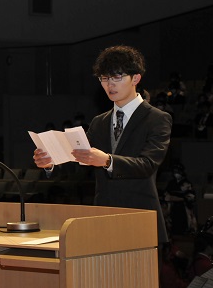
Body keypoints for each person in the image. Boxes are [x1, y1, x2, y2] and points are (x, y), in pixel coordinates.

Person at [33, 45, 172, 246]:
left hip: (140, 217)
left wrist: (107, 160)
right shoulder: (100, 121)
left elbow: (148, 164)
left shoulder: (157, 119)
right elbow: (78, 156)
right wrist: (50, 161)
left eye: (117, 77)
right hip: (103, 217)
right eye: (104, 78)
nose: (109, 85)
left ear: (136, 78)